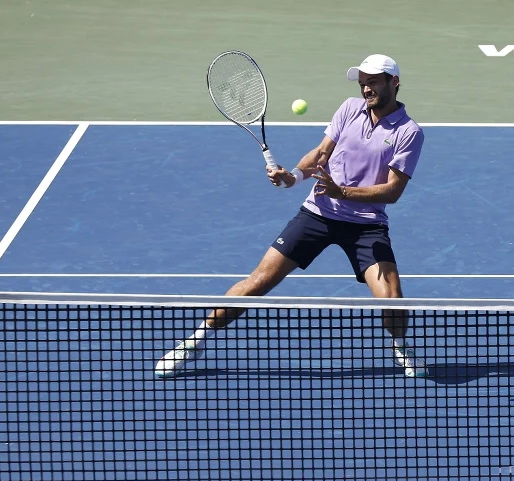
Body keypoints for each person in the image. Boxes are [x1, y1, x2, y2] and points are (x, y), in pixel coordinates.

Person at [155, 54, 427, 379]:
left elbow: (393, 191)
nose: (366, 88)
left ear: (393, 82)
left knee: (392, 300)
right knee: (258, 282)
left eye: (373, 81)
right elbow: (322, 152)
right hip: (318, 214)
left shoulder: (409, 132)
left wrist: (344, 193)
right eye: (362, 82)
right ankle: (194, 341)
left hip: (366, 226)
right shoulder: (349, 108)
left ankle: (400, 347)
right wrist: (294, 176)